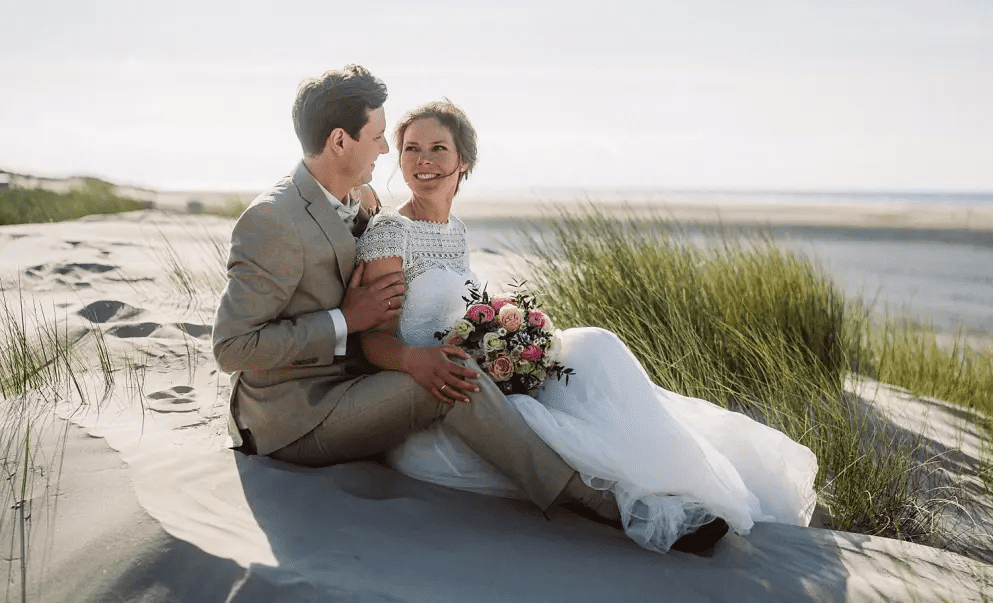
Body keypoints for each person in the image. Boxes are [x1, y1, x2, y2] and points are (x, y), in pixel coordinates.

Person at [355, 100, 819, 554]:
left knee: (593, 346)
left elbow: (463, 312)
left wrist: (519, 347)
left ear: (464, 161)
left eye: (438, 148)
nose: (424, 160)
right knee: (557, 421)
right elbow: (374, 338)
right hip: (442, 399)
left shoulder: (455, 229)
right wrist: (421, 359)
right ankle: (622, 504)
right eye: (412, 149)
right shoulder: (391, 233)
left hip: (485, 378)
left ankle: (666, 484)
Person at [212, 68, 637, 548]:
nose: (384, 150)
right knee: (449, 381)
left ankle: (618, 464)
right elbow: (231, 347)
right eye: (377, 137)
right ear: (338, 140)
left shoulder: (357, 197)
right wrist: (346, 321)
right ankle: (584, 497)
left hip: (362, 382)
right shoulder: (272, 219)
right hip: (296, 416)